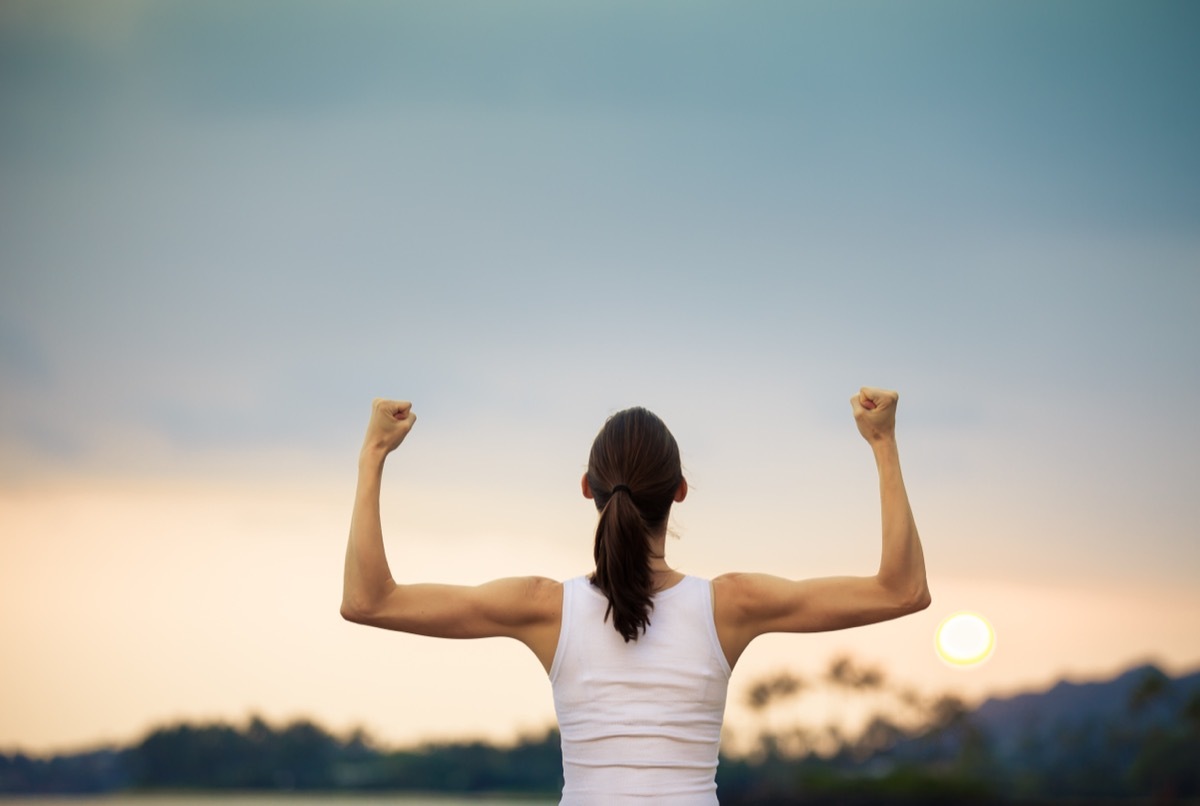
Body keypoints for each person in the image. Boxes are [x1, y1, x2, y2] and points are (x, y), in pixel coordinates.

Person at [341, 387, 930, 805]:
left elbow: (368, 602)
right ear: (679, 492)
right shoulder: (732, 604)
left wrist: (373, 456)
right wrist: (882, 442)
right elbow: (902, 590)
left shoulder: (544, 606)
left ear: (586, 488)